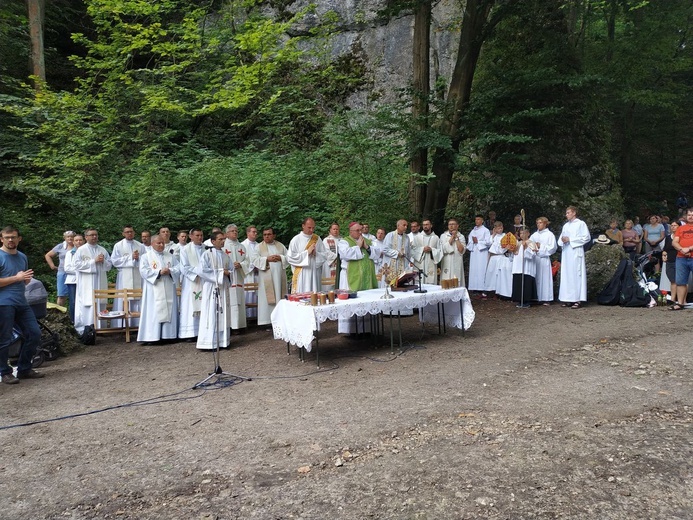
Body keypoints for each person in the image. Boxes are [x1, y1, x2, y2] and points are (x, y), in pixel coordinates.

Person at [0, 226, 44, 384]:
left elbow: (21, 279)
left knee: (34, 334)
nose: (10, 240)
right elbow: (14, 278)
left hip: (21, 302)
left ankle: (24, 368)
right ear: (1, 239)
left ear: (19, 239)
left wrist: (24, 281)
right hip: (3, 304)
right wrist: (16, 278)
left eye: (13, 237)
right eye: (7, 237)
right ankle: (5, 372)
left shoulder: (22, 257)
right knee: (4, 339)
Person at [137, 234, 181, 344]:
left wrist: (170, 271)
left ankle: (168, 335)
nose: (161, 245)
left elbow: (179, 268)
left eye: (162, 243)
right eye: (158, 243)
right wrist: (159, 272)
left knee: (169, 308)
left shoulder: (170, 256)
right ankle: (152, 336)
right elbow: (143, 271)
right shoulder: (146, 257)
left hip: (168, 286)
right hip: (153, 288)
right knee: (154, 311)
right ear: (152, 244)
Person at [337, 222, 379, 333]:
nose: (360, 232)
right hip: (349, 277)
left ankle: (367, 329)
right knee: (351, 302)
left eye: (361, 230)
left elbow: (377, 253)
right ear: (351, 232)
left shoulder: (367, 241)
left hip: (366, 277)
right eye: (358, 231)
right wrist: (358, 247)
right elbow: (344, 254)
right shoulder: (344, 241)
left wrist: (367, 247)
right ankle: (351, 330)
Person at [196, 231, 233, 350]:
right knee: (211, 312)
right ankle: (208, 342)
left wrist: (228, 274)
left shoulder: (225, 255)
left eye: (224, 239)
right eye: (220, 239)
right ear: (213, 241)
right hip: (211, 287)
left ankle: (223, 341)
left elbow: (231, 270)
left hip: (223, 288)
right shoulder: (207, 254)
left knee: (223, 313)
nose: (223, 241)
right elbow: (202, 271)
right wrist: (222, 273)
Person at [73, 228, 113, 334]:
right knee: (89, 303)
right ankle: (88, 328)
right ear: (86, 237)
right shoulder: (81, 250)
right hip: (87, 282)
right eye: (91, 235)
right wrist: (93, 261)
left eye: (96, 235)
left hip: (100, 280)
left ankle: (102, 328)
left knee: (101, 302)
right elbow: (76, 265)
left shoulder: (102, 249)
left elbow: (109, 265)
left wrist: (103, 261)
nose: (94, 237)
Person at [252, 227, 289, 327]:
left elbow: (289, 257)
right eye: (264, 235)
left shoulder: (280, 246)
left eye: (269, 234)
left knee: (279, 297)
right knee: (266, 299)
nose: (266, 236)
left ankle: (280, 320)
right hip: (266, 279)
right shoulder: (259, 247)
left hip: (279, 278)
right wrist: (266, 259)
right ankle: (267, 321)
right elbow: (254, 260)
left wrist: (280, 257)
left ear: (274, 235)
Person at [111, 225, 145, 326]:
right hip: (124, 275)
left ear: (134, 233)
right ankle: (122, 324)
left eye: (131, 231)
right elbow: (114, 261)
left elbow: (146, 259)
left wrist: (138, 258)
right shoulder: (118, 245)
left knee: (137, 298)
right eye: (127, 232)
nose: (129, 233)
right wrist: (130, 257)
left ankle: (137, 324)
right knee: (123, 297)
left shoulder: (140, 245)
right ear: (123, 233)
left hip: (137, 274)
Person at [558, 206, 590, 309]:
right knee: (567, 275)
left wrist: (570, 240)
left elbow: (586, 237)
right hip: (566, 252)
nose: (566, 215)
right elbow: (560, 239)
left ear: (574, 213)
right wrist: (563, 240)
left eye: (568, 213)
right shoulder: (565, 226)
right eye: (566, 213)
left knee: (576, 275)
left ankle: (577, 299)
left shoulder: (581, 224)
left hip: (575, 252)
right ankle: (568, 298)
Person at [287, 217, 328, 293]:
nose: (311, 230)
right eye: (309, 227)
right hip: (302, 274)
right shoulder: (296, 240)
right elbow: (290, 257)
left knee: (315, 294)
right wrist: (307, 253)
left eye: (313, 228)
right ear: (303, 226)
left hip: (315, 273)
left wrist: (316, 253)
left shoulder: (317, 239)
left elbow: (324, 255)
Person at [179, 228, 206, 340]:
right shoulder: (185, 249)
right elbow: (184, 266)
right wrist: (197, 273)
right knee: (190, 305)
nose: (200, 237)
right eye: (197, 235)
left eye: (201, 235)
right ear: (191, 236)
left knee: (204, 303)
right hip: (191, 281)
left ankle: (203, 330)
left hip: (204, 280)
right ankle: (189, 333)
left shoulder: (207, 248)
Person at [223, 224, 249, 332]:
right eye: (232, 231)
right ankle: (231, 326)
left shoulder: (241, 246)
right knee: (230, 301)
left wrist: (241, 264)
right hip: (228, 277)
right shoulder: (223, 246)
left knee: (239, 300)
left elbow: (247, 261)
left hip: (238, 276)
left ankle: (241, 325)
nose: (235, 232)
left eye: (236, 231)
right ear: (227, 233)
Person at [529, 217, 557, 305]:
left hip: (544, 258)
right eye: (537, 223)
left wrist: (541, 246)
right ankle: (536, 297)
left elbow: (552, 248)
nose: (538, 224)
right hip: (535, 259)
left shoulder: (550, 235)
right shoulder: (534, 235)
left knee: (545, 278)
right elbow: (529, 244)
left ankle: (546, 298)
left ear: (545, 224)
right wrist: (533, 247)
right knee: (536, 277)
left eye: (540, 223)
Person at [44, 230, 75, 308]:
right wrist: (52, 266)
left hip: (75, 273)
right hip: (62, 272)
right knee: (61, 295)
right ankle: (59, 314)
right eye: (68, 237)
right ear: (65, 238)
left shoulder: (78, 246)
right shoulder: (60, 246)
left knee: (76, 295)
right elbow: (48, 255)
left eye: (72, 236)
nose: (70, 238)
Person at [671, 208, 693, 311]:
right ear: (686, 216)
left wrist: (689, 248)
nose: (691, 216)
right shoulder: (680, 228)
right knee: (680, 281)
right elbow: (674, 242)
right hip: (681, 257)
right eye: (689, 215)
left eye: (692, 215)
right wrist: (681, 249)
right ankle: (680, 303)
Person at [410, 219, 442, 285]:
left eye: (427, 224)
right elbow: (412, 250)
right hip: (420, 262)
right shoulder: (417, 237)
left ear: (431, 225)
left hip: (431, 262)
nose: (425, 226)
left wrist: (431, 250)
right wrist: (422, 249)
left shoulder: (436, 238)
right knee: (419, 282)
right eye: (424, 225)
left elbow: (440, 251)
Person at [511, 228, 538, 307]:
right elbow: (514, 255)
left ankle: (527, 301)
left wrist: (526, 247)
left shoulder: (531, 243)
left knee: (526, 283)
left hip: (526, 267)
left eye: (524, 233)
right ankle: (519, 300)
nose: (522, 235)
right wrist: (511, 250)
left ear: (528, 234)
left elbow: (531, 256)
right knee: (518, 283)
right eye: (521, 233)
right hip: (518, 267)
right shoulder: (518, 243)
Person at [467, 215, 491, 294]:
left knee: (481, 269)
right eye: (476, 219)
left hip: (482, 252)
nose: (477, 221)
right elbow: (469, 241)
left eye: (478, 219)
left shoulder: (485, 230)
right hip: (474, 252)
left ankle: (482, 287)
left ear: (482, 220)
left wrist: (478, 242)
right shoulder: (473, 231)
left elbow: (488, 242)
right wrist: (473, 242)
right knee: (474, 269)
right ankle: (474, 287)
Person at [63, 234, 85, 322]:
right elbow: (67, 268)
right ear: (73, 242)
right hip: (73, 281)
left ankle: (83, 320)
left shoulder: (86, 252)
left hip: (85, 281)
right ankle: (73, 321)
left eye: (80, 240)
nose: (79, 242)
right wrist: (81, 270)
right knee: (73, 302)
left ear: (84, 241)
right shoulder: (70, 253)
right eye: (76, 240)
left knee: (84, 301)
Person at [440, 218, 466, 287]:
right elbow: (444, 249)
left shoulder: (461, 236)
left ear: (457, 226)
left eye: (453, 224)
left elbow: (461, 250)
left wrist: (457, 238)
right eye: (450, 224)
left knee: (457, 278)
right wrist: (452, 237)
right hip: (447, 260)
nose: (451, 226)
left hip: (457, 260)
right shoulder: (443, 236)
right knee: (446, 278)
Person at [241, 225, 260, 320]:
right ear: (248, 233)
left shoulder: (259, 245)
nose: (255, 234)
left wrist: (260, 265)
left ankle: (257, 316)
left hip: (258, 274)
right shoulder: (242, 246)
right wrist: (252, 266)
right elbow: (243, 260)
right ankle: (248, 317)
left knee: (257, 294)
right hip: (248, 274)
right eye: (253, 232)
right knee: (248, 295)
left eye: (256, 232)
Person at [484, 222, 507, 296]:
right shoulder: (493, 236)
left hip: (500, 256)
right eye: (498, 228)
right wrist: (493, 234)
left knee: (498, 273)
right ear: (495, 229)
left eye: (501, 228)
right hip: (493, 257)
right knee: (491, 273)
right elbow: (489, 243)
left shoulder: (505, 236)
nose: (500, 229)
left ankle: (498, 290)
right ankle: (489, 289)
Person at [660, 221, 679, 301]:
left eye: (675, 225)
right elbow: (665, 249)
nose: (673, 227)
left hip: (679, 260)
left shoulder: (681, 237)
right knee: (672, 280)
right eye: (672, 225)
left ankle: (681, 299)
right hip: (670, 261)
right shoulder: (668, 238)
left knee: (679, 281)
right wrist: (663, 255)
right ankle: (673, 299)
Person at [321, 222, 342, 292]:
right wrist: (336, 258)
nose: (335, 230)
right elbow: (326, 252)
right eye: (334, 229)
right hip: (329, 265)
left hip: (340, 265)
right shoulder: (326, 240)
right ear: (330, 230)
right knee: (329, 285)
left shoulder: (342, 240)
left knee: (339, 282)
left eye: (337, 229)